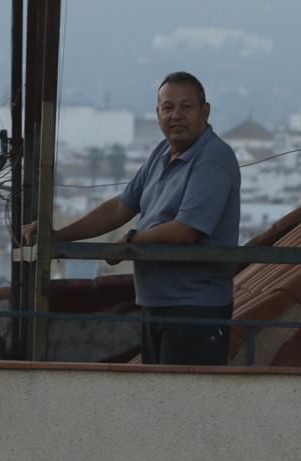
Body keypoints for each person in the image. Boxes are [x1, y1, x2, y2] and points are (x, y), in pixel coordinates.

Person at [22, 71, 241, 365]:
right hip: (158, 305)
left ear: (205, 111)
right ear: (158, 113)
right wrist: (60, 235)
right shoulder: (162, 153)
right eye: (168, 107)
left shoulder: (213, 159)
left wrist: (133, 240)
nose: (176, 115)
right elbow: (119, 208)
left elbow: (187, 231)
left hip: (194, 310)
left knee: (182, 407)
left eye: (186, 107)